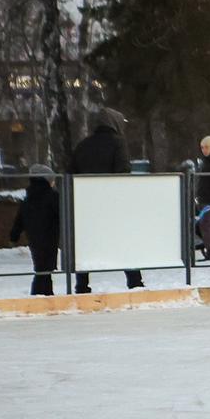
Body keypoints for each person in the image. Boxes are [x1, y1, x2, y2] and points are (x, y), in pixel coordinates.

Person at [71, 108, 144, 293]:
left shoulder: (82, 145)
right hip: (112, 204)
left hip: (86, 204)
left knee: (85, 244)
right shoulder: (118, 143)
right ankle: (135, 281)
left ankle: (82, 284)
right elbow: (123, 171)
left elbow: (70, 173)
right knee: (125, 242)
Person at [10, 164, 61, 296]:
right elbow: (62, 214)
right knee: (44, 269)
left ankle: (47, 294)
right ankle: (39, 296)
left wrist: (14, 234)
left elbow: (20, 217)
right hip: (49, 235)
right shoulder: (52, 196)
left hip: (33, 236)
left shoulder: (29, 196)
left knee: (42, 268)